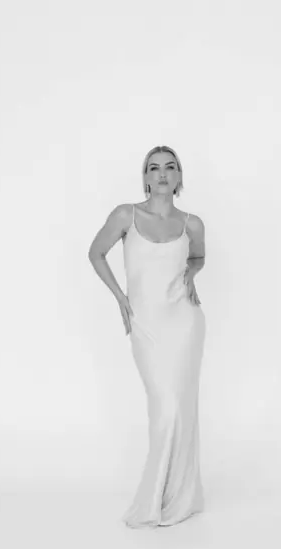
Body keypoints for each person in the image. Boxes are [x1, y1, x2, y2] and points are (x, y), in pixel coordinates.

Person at [88, 145, 206, 528]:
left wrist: (190, 276)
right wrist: (121, 298)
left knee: (182, 408)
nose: (161, 174)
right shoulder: (127, 215)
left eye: (170, 167)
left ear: (179, 177)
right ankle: (152, 499)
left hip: (185, 323)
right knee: (165, 407)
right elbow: (95, 253)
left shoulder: (192, 224)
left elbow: (198, 257)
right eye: (153, 168)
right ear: (144, 177)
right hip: (146, 324)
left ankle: (180, 497)